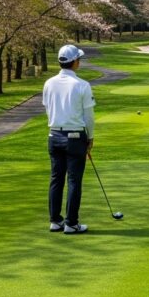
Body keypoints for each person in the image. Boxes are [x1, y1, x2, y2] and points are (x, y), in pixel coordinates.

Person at [42, 44, 96, 234]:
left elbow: (48, 109)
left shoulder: (48, 83)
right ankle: (71, 223)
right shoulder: (82, 85)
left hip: (54, 135)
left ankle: (55, 221)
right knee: (74, 180)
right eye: (78, 59)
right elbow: (89, 117)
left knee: (56, 179)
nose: (79, 62)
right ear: (74, 62)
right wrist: (90, 137)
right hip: (75, 137)